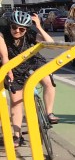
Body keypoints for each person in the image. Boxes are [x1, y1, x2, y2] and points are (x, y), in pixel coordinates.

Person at [0, 10, 57, 148]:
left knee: (48, 81)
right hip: (13, 67)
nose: (17, 31)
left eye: (22, 29)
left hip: (33, 63)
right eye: (14, 27)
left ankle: (49, 113)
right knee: (16, 101)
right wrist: (9, 71)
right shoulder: (2, 35)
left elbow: (51, 44)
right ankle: (17, 136)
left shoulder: (30, 34)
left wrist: (38, 26)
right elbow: (5, 57)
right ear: (10, 25)